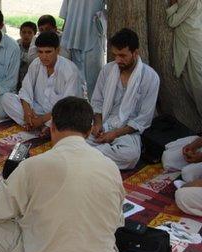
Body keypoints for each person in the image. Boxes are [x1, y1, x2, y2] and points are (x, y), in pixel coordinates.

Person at [0, 96, 125, 252]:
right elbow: (116, 222)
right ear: (88, 132)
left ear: (52, 127)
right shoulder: (111, 167)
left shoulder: (33, 166)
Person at [88, 28, 160, 170]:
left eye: (122, 56)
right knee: (74, 137)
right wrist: (97, 125)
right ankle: (93, 157)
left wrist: (114, 134)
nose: (118, 60)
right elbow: (97, 102)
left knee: (130, 155)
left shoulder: (150, 78)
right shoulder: (107, 70)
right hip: (104, 124)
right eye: (115, 55)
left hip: (127, 131)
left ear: (135, 53)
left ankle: (87, 156)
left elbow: (143, 120)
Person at [2, 31, 83, 131]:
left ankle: (43, 126)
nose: (44, 56)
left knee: (69, 118)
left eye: (48, 52)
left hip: (58, 114)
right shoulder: (36, 63)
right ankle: (36, 125)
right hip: (38, 109)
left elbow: (67, 106)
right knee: (7, 98)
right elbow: (25, 91)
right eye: (40, 52)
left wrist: (42, 120)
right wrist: (27, 113)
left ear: (57, 50)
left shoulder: (70, 71)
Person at [59, 0, 106, 98]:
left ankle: (95, 108)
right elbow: (66, 11)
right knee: (72, 77)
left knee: (94, 78)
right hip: (72, 30)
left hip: (93, 31)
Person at [166, 0, 202, 117]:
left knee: (198, 85)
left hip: (192, 45)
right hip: (188, 45)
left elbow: (172, 21)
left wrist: (173, 5)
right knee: (190, 84)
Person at [17, 21, 37, 90]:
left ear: (34, 34)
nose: (26, 35)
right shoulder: (15, 45)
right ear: (20, 33)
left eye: (29, 32)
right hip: (17, 79)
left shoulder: (37, 47)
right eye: (24, 32)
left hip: (32, 81)